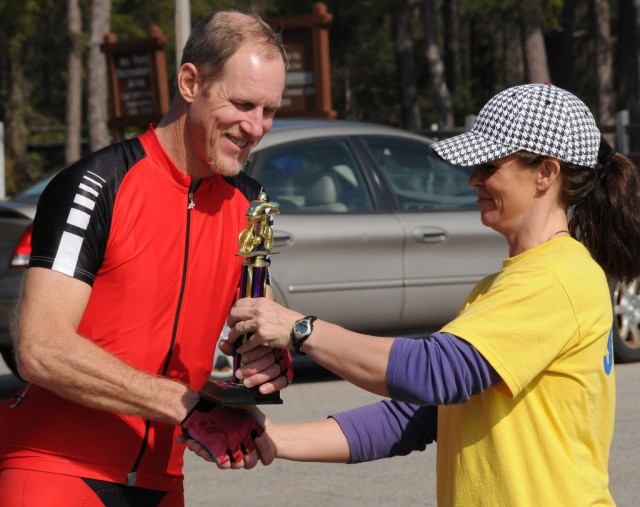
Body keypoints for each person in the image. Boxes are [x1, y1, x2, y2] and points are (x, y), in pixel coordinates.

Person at [213, 83, 640, 506]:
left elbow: (436, 372)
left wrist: (300, 329)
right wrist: (272, 437)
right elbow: (420, 412)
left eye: (489, 165)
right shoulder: (504, 285)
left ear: (546, 173)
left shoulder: (558, 276)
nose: (473, 178)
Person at [0, 10, 292, 507]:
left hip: (162, 480)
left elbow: (244, 325)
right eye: (242, 103)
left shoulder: (248, 203)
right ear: (189, 82)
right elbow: (40, 348)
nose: (255, 127)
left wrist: (267, 363)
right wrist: (187, 406)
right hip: (53, 467)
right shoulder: (97, 184)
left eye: (269, 110)